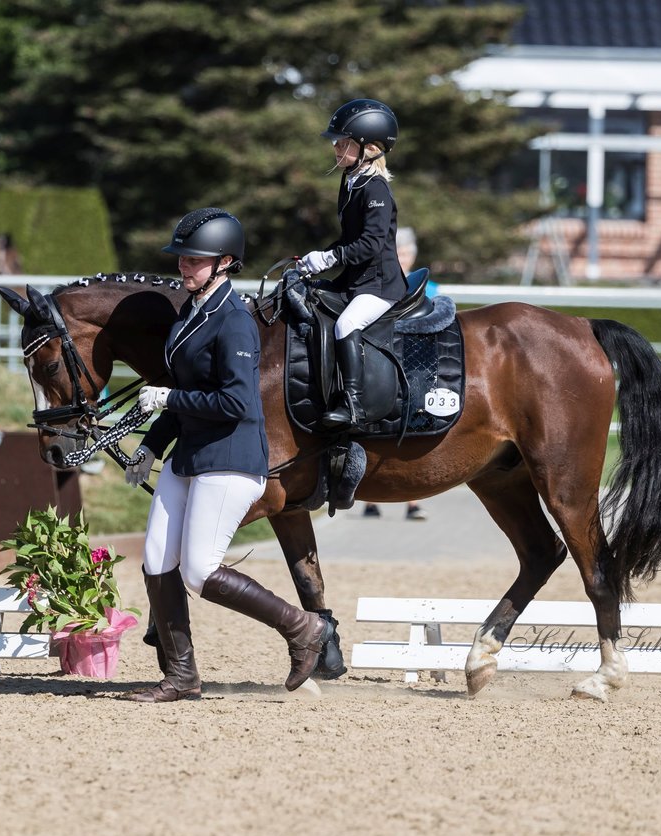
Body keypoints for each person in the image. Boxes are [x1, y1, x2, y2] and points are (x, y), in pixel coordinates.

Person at [123, 207, 331, 703]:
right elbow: (186, 389)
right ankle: (180, 676)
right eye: (182, 259)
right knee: (156, 559)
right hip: (188, 455)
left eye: (195, 260)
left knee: (199, 571)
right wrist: (150, 447)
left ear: (225, 263)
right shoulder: (191, 314)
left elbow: (237, 402)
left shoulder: (234, 320)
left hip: (230, 457)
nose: (183, 267)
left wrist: (168, 398)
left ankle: (304, 628)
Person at [297, 98, 404, 430]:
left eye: (342, 142)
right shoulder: (350, 181)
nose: (336, 147)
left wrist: (330, 258)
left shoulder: (377, 190)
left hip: (380, 284)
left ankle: (354, 405)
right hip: (356, 279)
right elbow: (348, 238)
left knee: (346, 326)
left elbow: (371, 244)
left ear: (369, 147)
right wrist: (317, 260)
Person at [364, 225, 433, 521]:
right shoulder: (378, 285)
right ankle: (368, 496)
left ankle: (412, 501)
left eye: (405, 253)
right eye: (398, 252)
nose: (402, 258)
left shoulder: (428, 288)